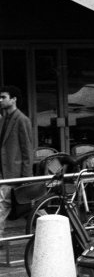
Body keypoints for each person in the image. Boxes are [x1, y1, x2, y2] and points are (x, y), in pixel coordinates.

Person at [0, 85, 34, 239]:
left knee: (3, 205)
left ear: (13, 99)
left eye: (3, 97)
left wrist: (26, 178)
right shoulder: (3, 119)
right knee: (30, 205)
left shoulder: (22, 120)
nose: (0, 100)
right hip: (5, 171)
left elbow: (27, 149)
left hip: (14, 172)